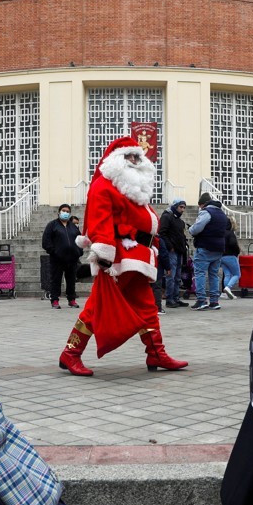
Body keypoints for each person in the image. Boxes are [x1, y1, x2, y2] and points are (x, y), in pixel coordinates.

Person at [58, 135, 187, 376]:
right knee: (97, 308)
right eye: (129, 156)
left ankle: (156, 353)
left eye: (137, 156)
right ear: (116, 160)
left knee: (147, 307)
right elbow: (99, 221)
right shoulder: (104, 186)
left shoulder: (132, 189)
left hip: (138, 257)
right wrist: (104, 256)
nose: (135, 161)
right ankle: (71, 353)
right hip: (118, 260)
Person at [188, 194, 229, 310]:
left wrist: (190, 229)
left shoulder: (206, 212)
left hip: (205, 246)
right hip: (219, 248)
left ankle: (201, 300)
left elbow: (197, 228)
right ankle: (214, 301)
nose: (200, 208)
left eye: (200, 206)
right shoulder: (222, 214)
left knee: (200, 273)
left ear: (203, 204)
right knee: (214, 275)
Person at [41, 203, 82, 309]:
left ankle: (71, 299)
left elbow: (80, 240)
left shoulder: (73, 226)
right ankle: (54, 300)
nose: (65, 213)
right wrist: (53, 252)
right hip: (57, 259)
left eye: (68, 211)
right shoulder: (52, 225)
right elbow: (46, 241)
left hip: (72, 259)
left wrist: (79, 252)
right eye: (64, 211)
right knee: (56, 279)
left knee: (71, 280)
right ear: (59, 212)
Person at [158, 199, 189, 308]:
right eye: (181, 207)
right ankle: (169, 299)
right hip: (171, 251)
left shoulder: (180, 221)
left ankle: (176, 298)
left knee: (177, 277)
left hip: (179, 251)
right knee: (171, 275)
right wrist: (170, 246)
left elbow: (181, 236)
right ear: (175, 206)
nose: (182, 210)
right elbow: (162, 233)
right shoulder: (167, 217)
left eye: (184, 207)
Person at [220, 217, 241, 300]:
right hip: (231, 256)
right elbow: (233, 243)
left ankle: (225, 293)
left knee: (227, 274)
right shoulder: (230, 233)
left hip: (222, 256)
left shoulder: (221, 233)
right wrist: (237, 251)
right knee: (237, 274)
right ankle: (228, 287)